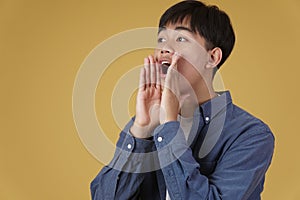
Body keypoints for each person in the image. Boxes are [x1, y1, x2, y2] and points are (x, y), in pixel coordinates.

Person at [90, 1, 275, 199]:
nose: (164, 49)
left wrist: (169, 125)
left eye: (180, 38)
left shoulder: (250, 135)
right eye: (161, 39)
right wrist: (141, 131)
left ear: (212, 58)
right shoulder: (146, 122)